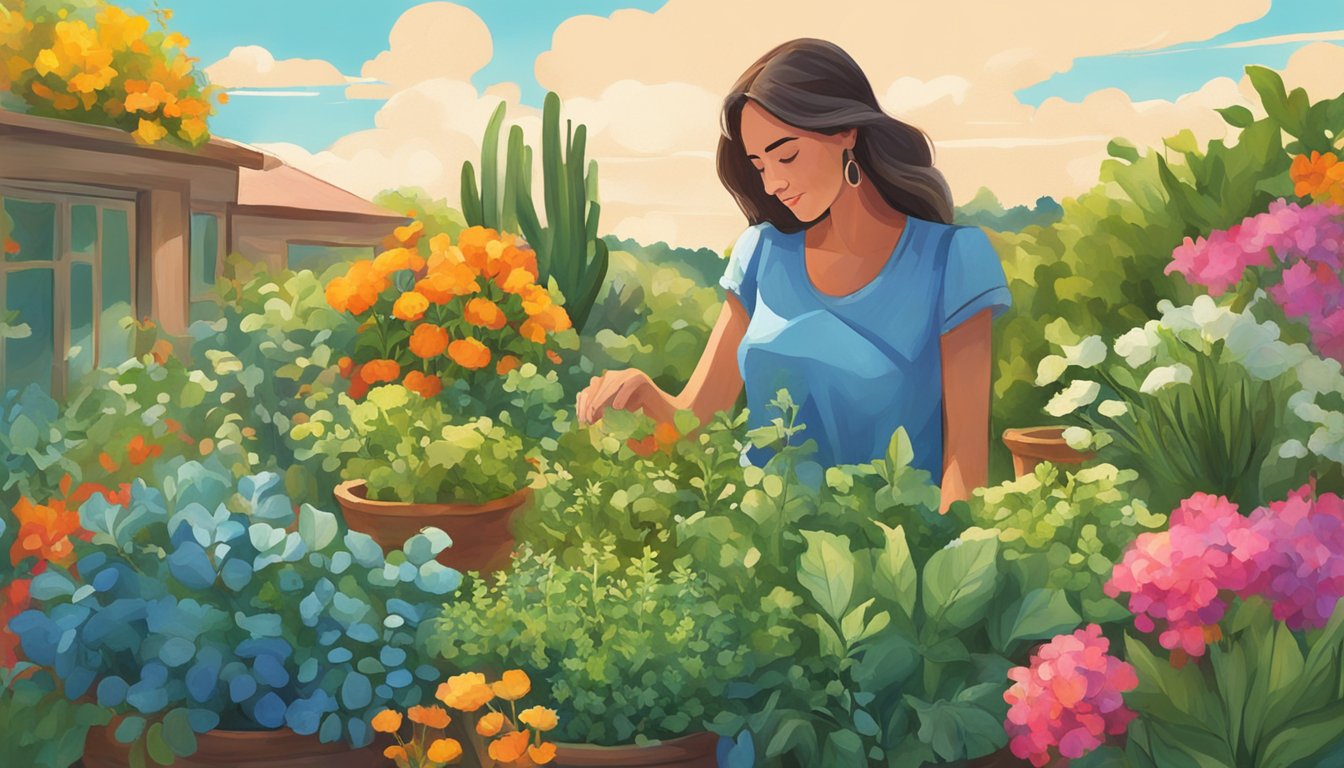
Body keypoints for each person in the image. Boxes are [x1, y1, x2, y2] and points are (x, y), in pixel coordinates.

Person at [575, 38, 1012, 513]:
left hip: (891, 557)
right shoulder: (761, 254)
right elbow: (694, 422)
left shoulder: (952, 259)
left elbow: (965, 472)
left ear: (846, 131)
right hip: (758, 546)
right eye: (758, 164)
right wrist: (642, 393)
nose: (771, 183)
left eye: (786, 156)